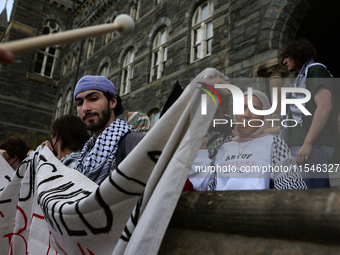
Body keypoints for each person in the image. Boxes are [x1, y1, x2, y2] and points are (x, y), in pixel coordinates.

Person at [188, 90, 307, 191]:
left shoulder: (274, 142)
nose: (246, 114)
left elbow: (291, 185)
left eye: (255, 109)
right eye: (242, 108)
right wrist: (202, 146)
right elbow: (202, 186)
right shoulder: (221, 144)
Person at [280, 38, 337, 188]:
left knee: (314, 200)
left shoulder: (315, 70)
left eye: (287, 57)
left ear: (298, 54)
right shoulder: (299, 79)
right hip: (300, 146)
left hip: (313, 146)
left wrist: (308, 143)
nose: (284, 62)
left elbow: (325, 106)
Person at [73, 75, 145, 184]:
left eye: (93, 99)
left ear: (112, 102)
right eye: (79, 103)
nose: (85, 108)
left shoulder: (136, 143)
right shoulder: (84, 156)